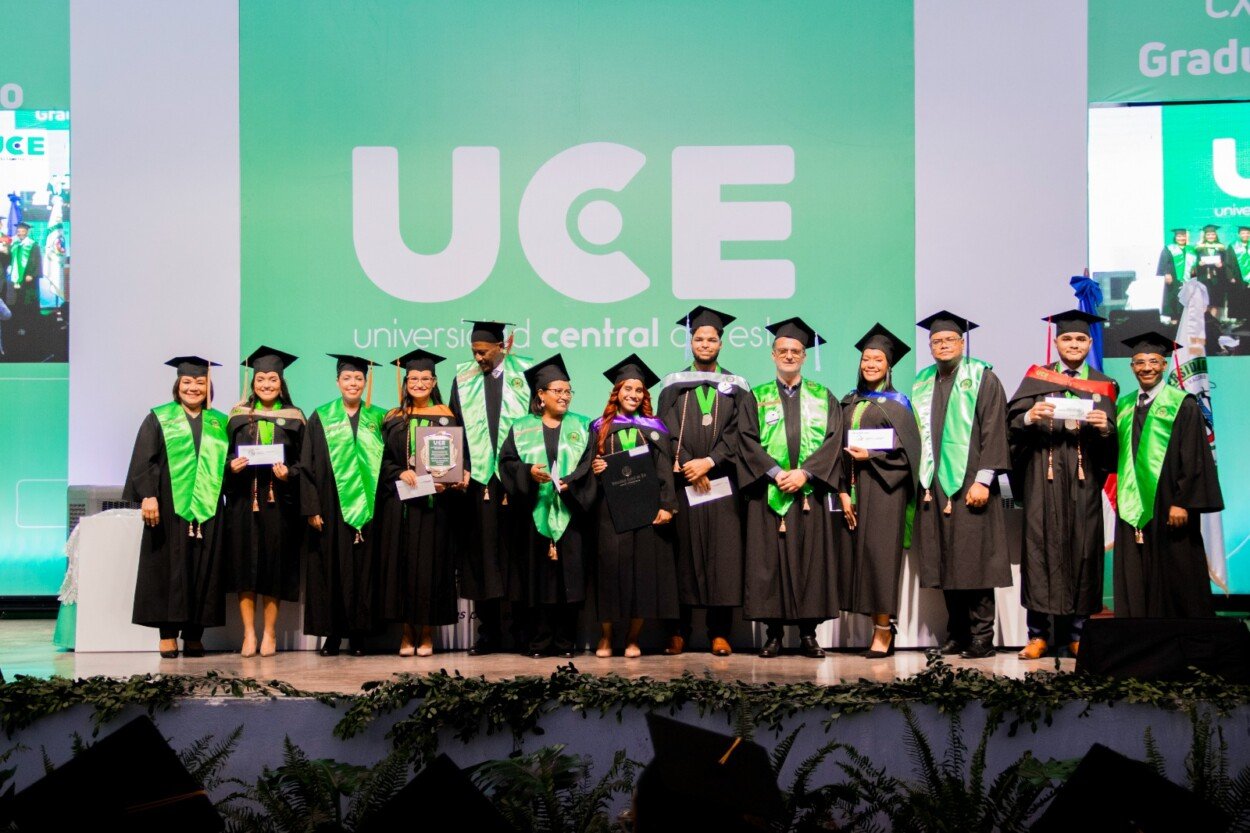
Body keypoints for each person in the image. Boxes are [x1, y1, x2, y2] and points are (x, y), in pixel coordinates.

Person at [1006, 312, 1118, 659]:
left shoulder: (1103, 386)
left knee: (1083, 550)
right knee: (1039, 550)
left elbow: (1115, 445)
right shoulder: (1037, 379)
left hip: (1084, 481)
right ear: (1056, 342)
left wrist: (1105, 428)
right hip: (1044, 476)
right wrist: (1030, 417)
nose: (1073, 344)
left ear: (1089, 343)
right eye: (1067, 338)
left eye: (1080, 339)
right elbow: (1011, 424)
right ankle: (1037, 635)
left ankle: (1078, 634)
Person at [737, 317, 842, 659]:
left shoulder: (823, 396)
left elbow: (833, 440)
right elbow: (746, 441)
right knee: (769, 564)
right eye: (782, 350)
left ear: (804, 356)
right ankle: (774, 635)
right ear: (773, 355)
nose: (789, 355)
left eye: (795, 351)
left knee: (811, 563)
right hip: (770, 493)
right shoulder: (756, 397)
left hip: (809, 495)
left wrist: (806, 474)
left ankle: (809, 634)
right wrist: (775, 472)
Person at [911, 311, 1012, 659]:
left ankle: (982, 637)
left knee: (976, 561)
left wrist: (984, 480)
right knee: (945, 560)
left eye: (949, 340)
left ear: (962, 342)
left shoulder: (983, 377)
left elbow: (995, 430)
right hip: (934, 484)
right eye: (936, 341)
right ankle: (956, 634)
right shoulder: (923, 382)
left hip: (971, 481)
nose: (943, 345)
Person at [656, 305, 752, 657]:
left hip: (722, 483)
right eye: (699, 339)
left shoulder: (737, 387)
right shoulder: (673, 385)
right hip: (684, 484)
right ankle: (678, 631)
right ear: (691, 342)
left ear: (721, 344)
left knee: (722, 557)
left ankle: (720, 632)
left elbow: (741, 432)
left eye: (711, 339)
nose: (705, 344)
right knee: (681, 556)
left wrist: (710, 461)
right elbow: (663, 432)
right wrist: (685, 463)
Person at [123, 356, 229, 658]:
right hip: (169, 506)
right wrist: (148, 495)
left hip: (209, 507)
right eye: (187, 382)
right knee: (167, 568)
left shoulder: (220, 421)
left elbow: (227, 463)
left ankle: (195, 634)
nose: (193, 388)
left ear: (208, 387)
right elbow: (145, 459)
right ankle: (168, 635)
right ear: (177, 385)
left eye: (200, 382)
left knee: (204, 569)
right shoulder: (159, 418)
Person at [1113, 331, 1223, 618]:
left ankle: (1182, 634)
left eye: (1153, 361)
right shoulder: (1123, 405)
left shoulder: (1182, 403)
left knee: (1178, 569)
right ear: (1132, 367)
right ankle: (1138, 631)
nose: (1146, 367)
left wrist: (1182, 502)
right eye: (1139, 362)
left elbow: (1195, 456)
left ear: (1164, 365)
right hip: (1133, 504)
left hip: (1170, 505)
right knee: (1136, 571)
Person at [497, 354, 595, 658]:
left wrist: (571, 483)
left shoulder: (582, 425)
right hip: (533, 514)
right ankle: (538, 641)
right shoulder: (521, 427)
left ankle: (566, 642)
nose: (564, 396)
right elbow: (506, 463)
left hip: (570, 512)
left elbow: (589, 464)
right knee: (536, 579)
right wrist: (528, 473)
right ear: (541, 394)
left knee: (570, 579)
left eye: (568, 391)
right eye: (558, 391)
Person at [447, 320, 533, 655]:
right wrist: (461, 466)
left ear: (502, 346)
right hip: (478, 481)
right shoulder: (463, 378)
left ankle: (521, 631)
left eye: (483, 352)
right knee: (481, 555)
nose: (478, 358)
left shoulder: (526, 374)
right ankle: (489, 633)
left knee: (517, 554)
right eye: (474, 352)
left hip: (516, 479)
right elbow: (454, 427)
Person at [836, 323, 919, 658]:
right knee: (859, 560)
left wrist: (871, 455)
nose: (870, 364)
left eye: (878, 360)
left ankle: (883, 631)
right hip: (854, 490)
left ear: (889, 365)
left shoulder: (899, 404)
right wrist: (842, 492)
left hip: (886, 492)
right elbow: (835, 450)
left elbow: (909, 455)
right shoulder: (848, 402)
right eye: (866, 359)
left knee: (880, 560)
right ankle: (876, 628)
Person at [588, 354, 678, 658]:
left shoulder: (655, 427)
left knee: (642, 574)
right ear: (617, 392)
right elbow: (588, 465)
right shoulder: (599, 426)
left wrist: (667, 505)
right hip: (610, 512)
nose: (633, 394)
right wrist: (595, 467)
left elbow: (664, 469)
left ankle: (633, 638)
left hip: (646, 510)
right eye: (628, 389)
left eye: (639, 390)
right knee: (610, 572)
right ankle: (606, 636)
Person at [299, 353, 387, 656]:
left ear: (365, 382)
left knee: (365, 570)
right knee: (331, 569)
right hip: (330, 505)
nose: (353, 383)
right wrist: (312, 507)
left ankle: (360, 635)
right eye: (347, 378)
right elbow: (306, 465)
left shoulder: (379, 417)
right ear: (337, 382)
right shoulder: (321, 416)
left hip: (369, 507)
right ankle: (333, 635)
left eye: (358, 378)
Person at [378, 348, 461, 657]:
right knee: (402, 567)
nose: (419, 383)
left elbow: (454, 459)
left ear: (434, 381)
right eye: (413, 378)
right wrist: (399, 471)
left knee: (430, 568)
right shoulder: (393, 418)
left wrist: (448, 479)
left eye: (425, 378)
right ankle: (406, 632)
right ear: (406, 381)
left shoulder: (445, 415)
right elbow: (382, 460)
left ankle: (426, 632)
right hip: (401, 504)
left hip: (434, 506)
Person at [224, 346, 305, 657]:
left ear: (281, 382)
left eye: (273, 379)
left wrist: (289, 474)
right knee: (245, 566)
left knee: (274, 566)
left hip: (279, 504)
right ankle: (249, 633)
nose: (267, 384)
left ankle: (270, 632)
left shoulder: (295, 418)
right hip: (243, 502)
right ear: (253, 382)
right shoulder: (237, 416)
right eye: (261, 379)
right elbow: (221, 456)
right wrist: (231, 466)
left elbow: (304, 463)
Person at [1192, 224, 1233, 317]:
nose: (1211, 236)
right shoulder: (1199, 248)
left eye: (1213, 234)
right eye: (1208, 234)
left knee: (1215, 301)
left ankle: (1213, 322)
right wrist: (1199, 263)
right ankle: (1204, 322)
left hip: (1217, 278)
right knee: (1204, 301)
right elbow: (1193, 262)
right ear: (1205, 236)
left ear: (1216, 235)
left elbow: (1226, 262)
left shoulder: (1221, 248)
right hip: (1203, 277)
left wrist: (1221, 265)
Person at [1, 222, 41, 313]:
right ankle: (19, 318)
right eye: (18, 231)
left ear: (27, 232)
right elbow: (10, 259)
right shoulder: (15, 244)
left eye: (23, 231)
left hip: (28, 277)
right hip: (17, 277)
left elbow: (36, 261)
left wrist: (31, 274)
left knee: (29, 299)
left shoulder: (33, 245)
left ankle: (30, 319)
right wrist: (6, 252)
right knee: (18, 299)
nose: (20, 233)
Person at [1157, 228, 1194, 322]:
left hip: (1188, 280)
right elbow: (1164, 262)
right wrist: (1166, 274)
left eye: (1183, 236)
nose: (1181, 238)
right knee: (1174, 301)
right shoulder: (1169, 248)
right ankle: (1174, 324)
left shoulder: (1191, 249)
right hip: (1173, 279)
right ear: (1175, 237)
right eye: (1179, 236)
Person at [1228, 226, 1250, 321]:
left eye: (1247, 233)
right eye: (1243, 233)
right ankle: (1240, 320)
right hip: (1238, 277)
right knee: (1240, 298)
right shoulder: (1232, 246)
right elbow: (1228, 263)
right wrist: (1231, 276)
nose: (1245, 235)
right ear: (1239, 234)